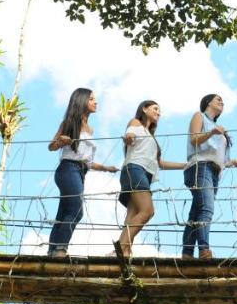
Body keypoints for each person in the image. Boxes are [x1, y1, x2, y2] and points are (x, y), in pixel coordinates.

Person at [47, 88, 118, 257]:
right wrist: (60, 141)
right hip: (67, 169)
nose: (96, 102)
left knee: (64, 211)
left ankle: (52, 250)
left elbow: (88, 161)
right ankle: (61, 249)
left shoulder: (90, 129)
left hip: (80, 172)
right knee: (76, 210)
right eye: (92, 99)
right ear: (82, 100)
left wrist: (106, 168)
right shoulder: (69, 123)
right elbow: (51, 147)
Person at [182, 93, 237, 259]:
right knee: (207, 209)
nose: (221, 102)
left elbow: (221, 159)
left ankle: (187, 253)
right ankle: (204, 249)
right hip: (200, 167)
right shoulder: (199, 117)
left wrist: (233, 162)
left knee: (196, 212)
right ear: (207, 102)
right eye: (218, 99)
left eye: (223, 101)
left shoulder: (220, 130)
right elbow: (195, 139)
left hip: (214, 171)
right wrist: (211, 133)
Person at [117, 100, 185, 258]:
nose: (158, 113)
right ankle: (121, 247)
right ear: (144, 109)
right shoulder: (136, 123)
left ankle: (125, 251)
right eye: (155, 109)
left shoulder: (151, 137)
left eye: (159, 110)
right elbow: (130, 134)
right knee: (147, 211)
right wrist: (129, 137)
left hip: (143, 174)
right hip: (135, 169)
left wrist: (185, 165)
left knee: (133, 215)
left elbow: (159, 163)